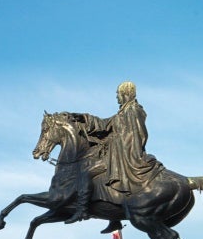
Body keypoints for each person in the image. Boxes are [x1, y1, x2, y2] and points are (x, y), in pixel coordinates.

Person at [66, 80, 163, 229]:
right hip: (116, 152)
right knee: (98, 174)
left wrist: (114, 141)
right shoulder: (124, 112)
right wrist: (84, 118)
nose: (117, 97)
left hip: (124, 155)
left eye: (118, 94)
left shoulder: (133, 111)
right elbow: (105, 124)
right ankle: (114, 218)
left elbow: (137, 135)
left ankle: (82, 211)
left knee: (87, 173)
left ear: (125, 94)